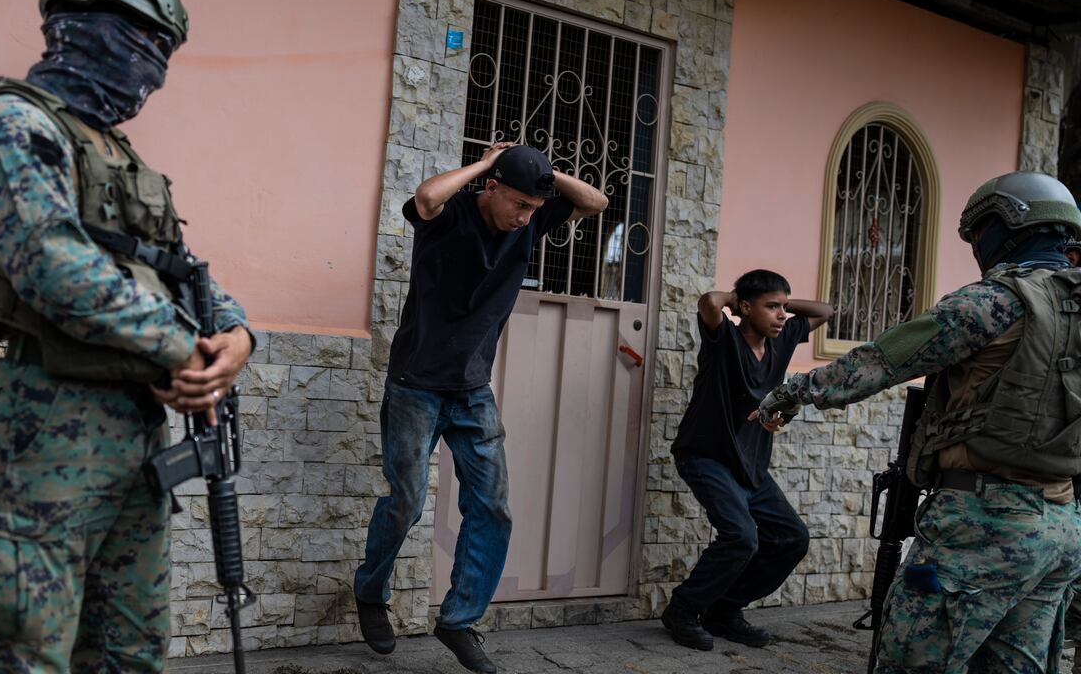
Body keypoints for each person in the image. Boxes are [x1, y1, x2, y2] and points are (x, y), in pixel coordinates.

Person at [0, 0, 253, 671]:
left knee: (127, 652)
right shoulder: (14, 121)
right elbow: (51, 265)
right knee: (24, 650)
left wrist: (236, 335)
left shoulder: (120, 156)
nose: (151, 70)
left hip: (134, 436)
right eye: (142, 42)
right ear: (80, 26)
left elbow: (180, 270)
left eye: (163, 53)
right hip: (45, 426)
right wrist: (181, 348)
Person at [756, 171, 1081, 673]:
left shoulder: (995, 302)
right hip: (1060, 526)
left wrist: (792, 392)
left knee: (910, 662)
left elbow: (883, 360)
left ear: (1005, 226)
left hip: (982, 527)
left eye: (979, 233)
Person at [353, 143, 607, 673]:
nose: (526, 218)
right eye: (519, 204)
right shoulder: (449, 218)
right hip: (415, 385)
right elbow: (426, 196)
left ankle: (459, 620)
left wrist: (543, 173)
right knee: (406, 502)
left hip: (472, 390)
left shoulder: (531, 223)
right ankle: (371, 593)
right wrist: (491, 162)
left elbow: (596, 202)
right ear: (490, 189)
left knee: (492, 508)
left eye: (534, 209)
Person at [658, 270, 832, 651]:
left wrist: (778, 302)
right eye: (772, 307)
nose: (782, 315)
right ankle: (682, 610)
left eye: (784, 307)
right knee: (740, 536)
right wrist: (737, 300)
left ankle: (723, 611)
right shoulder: (724, 340)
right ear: (746, 308)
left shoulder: (782, 339)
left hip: (750, 464)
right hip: (706, 456)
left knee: (792, 538)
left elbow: (825, 310)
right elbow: (709, 302)